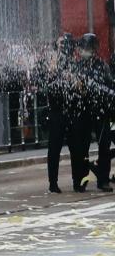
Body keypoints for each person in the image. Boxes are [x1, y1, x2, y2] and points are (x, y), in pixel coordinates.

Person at [73, 33, 114, 192]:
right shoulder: (77, 66)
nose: (87, 50)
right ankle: (80, 180)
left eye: (89, 47)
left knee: (104, 146)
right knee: (81, 147)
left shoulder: (102, 66)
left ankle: (103, 179)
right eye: (85, 47)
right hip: (83, 112)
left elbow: (109, 84)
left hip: (101, 112)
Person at [44, 34, 79, 193]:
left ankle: (77, 181)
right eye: (61, 44)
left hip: (71, 111)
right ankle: (53, 183)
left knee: (75, 147)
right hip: (56, 111)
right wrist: (55, 67)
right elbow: (46, 80)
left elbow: (79, 84)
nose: (64, 47)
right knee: (54, 148)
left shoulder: (74, 63)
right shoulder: (52, 60)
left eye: (66, 44)